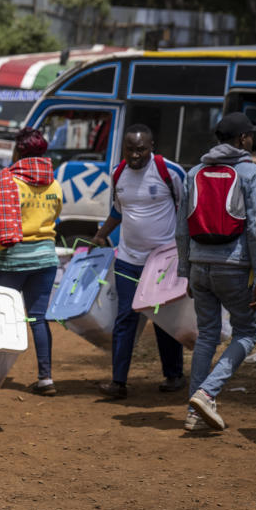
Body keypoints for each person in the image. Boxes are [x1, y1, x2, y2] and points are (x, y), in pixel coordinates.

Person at [176, 112, 256, 431]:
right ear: (243, 139)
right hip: (233, 266)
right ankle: (206, 393)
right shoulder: (251, 173)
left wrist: (186, 270)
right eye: (250, 135)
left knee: (207, 336)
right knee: (247, 332)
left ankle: (194, 414)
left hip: (200, 267)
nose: (253, 139)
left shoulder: (195, 172)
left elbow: (181, 229)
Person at [91, 125, 186, 399]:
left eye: (141, 149)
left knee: (163, 319)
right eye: (130, 149)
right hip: (128, 260)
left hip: (163, 263)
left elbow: (186, 208)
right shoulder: (118, 173)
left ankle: (174, 375)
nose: (135, 155)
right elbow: (118, 210)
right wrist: (100, 235)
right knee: (125, 319)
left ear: (151, 145)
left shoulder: (170, 171)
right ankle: (118, 382)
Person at [0, 128, 62, 395]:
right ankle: (46, 378)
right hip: (46, 257)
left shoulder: (8, 181)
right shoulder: (54, 183)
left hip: (12, 259)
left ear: (18, 151)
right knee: (38, 318)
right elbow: (57, 212)